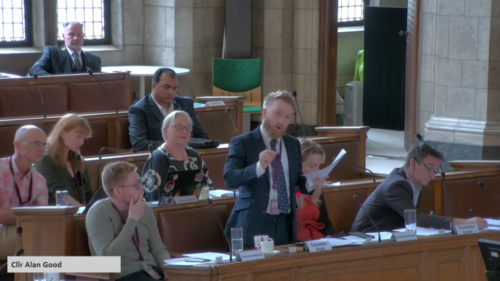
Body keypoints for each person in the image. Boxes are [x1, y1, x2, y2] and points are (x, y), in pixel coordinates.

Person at [223, 90, 324, 248]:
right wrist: (258, 167)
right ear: (264, 113)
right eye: (278, 114)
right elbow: (229, 179)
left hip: (284, 223)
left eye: (287, 117)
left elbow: (296, 180)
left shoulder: (292, 144)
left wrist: (312, 183)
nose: (282, 121)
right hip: (254, 223)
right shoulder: (243, 142)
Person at [351, 142, 488, 233]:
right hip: (366, 241)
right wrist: (460, 222)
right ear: (413, 163)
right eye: (430, 169)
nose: (433, 176)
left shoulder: (414, 183)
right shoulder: (396, 185)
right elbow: (415, 219)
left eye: (435, 171)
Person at [86, 161, 170, 281]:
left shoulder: (145, 208)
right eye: (136, 185)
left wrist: (170, 271)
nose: (142, 188)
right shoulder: (99, 212)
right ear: (118, 191)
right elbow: (107, 260)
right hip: (124, 276)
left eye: (140, 183)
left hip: (152, 273)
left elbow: (158, 248)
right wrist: (132, 220)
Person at [128, 68, 208, 151]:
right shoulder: (139, 110)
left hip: (188, 156)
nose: (171, 92)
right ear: (154, 86)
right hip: (159, 159)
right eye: (166, 87)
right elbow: (139, 144)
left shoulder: (185, 104)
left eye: (174, 88)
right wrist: (175, 145)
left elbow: (202, 137)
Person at [0, 126, 49, 260]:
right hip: (7, 231)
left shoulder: (40, 181)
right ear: (17, 145)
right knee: (41, 238)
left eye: (44, 144)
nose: (42, 149)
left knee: (53, 235)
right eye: (36, 143)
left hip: (22, 230)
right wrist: (31, 213)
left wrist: (19, 215)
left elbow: (42, 217)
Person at [142, 110, 210, 202]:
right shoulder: (158, 158)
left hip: (194, 207)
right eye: (179, 127)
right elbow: (153, 198)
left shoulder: (193, 155)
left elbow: (207, 185)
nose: (184, 131)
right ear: (165, 131)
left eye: (188, 128)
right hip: (168, 212)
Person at [34, 114, 94, 206]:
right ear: (62, 133)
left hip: (81, 216)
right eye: (78, 136)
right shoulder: (44, 160)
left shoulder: (79, 162)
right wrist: (83, 211)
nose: (81, 142)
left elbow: (89, 194)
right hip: (57, 217)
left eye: (83, 138)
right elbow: (56, 191)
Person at [28, 21, 101, 76]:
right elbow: (35, 70)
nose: (76, 38)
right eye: (71, 34)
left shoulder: (94, 60)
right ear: (63, 36)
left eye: (79, 34)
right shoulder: (53, 53)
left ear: (83, 36)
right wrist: (58, 81)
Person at [296, 139, 334, 241]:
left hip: (319, 242)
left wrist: (329, 238)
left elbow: (326, 221)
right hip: (298, 245)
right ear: (297, 165)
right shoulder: (287, 189)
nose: (317, 171)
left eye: (319, 166)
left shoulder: (316, 187)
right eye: (312, 166)